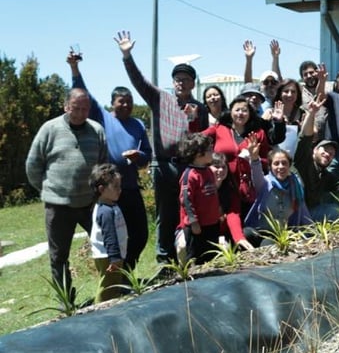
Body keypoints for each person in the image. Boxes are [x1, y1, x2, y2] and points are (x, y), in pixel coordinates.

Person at [115, 30, 209, 263]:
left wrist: (194, 119)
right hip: (164, 166)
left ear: (193, 83)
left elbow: (203, 141)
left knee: (192, 211)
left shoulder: (200, 108)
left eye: (186, 79)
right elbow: (139, 81)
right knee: (165, 215)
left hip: (189, 167)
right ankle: (164, 260)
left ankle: (192, 256)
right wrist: (127, 56)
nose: (181, 82)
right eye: (177, 79)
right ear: (172, 82)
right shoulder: (160, 99)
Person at [69, 51, 151, 270]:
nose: (126, 105)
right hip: (109, 191)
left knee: (140, 234)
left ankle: (127, 271)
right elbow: (84, 93)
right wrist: (75, 69)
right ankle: (116, 276)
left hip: (131, 188)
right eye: (121, 102)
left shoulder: (138, 125)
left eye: (129, 102)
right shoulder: (103, 117)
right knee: (115, 235)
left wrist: (138, 156)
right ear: (112, 103)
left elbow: (147, 156)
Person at [26, 88, 108, 296]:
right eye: (75, 108)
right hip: (58, 206)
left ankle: (111, 291)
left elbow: (103, 165)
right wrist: (49, 190)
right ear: (65, 107)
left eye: (84, 108)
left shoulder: (96, 130)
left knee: (107, 247)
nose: (80, 113)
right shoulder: (50, 129)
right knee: (59, 256)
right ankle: (67, 302)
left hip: (90, 204)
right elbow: (33, 164)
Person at [202, 95, 285, 209]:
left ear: (250, 114)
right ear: (230, 112)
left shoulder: (258, 133)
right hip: (223, 187)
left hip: (250, 190)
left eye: (244, 110)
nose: (240, 113)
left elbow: (267, 163)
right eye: (237, 110)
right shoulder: (219, 129)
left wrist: (254, 158)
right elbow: (197, 140)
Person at [243, 144, 313, 245]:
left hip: (281, 235)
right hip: (261, 231)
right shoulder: (265, 184)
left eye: (284, 163)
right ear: (270, 167)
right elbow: (257, 174)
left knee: (268, 244)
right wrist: (254, 159)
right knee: (246, 234)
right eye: (276, 163)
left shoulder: (296, 187)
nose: (281, 167)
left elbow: (304, 213)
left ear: (289, 166)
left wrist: (313, 233)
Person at [176, 133, 220, 265]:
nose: (213, 151)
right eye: (209, 149)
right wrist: (193, 221)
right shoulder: (190, 175)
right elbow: (186, 200)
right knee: (196, 258)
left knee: (211, 257)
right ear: (198, 154)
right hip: (197, 227)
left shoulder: (208, 171)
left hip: (212, 223)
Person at [88, 164, 128, 303]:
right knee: (107, 287)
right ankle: (99, 309)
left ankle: (112, 304)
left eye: (120, 186)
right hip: (107, 256)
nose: (120, 190)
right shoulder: (105, 211)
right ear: (101, 189)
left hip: (113, 255)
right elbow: (109, 235)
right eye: (115, 186)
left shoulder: (111, 205)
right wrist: (114, 257)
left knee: (114, 285)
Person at [209, 152, 254, 251]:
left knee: (249, 234)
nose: (220, 170)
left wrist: (239, 238)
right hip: (207, 235)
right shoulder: (202, 191)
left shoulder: (231, 191)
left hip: (226, 233)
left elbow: (233, 215)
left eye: (223, 167)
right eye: (216, 166)